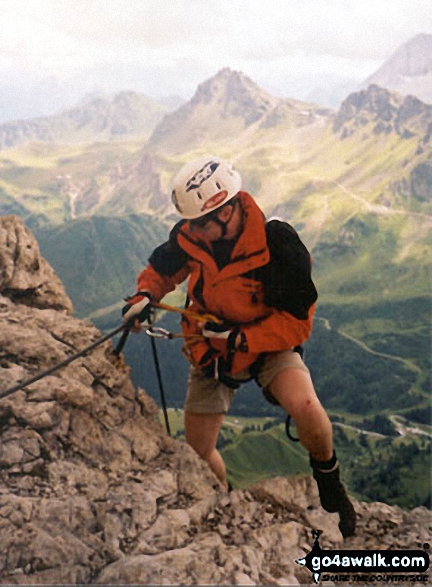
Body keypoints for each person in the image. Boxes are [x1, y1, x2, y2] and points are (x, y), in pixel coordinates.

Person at [122, 155, 356, 538]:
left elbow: (297, 321)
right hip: (212, 348)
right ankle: (224, 501)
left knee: (307, 406)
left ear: (226, 210)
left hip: (266, 342)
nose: (195, 231)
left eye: (201, 223)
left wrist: (242, 338)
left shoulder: (277, 243)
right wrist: (145, 295)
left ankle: (331, 486)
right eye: (192, 223)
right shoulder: (192, 235)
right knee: (198, 452)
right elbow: (163, 271)